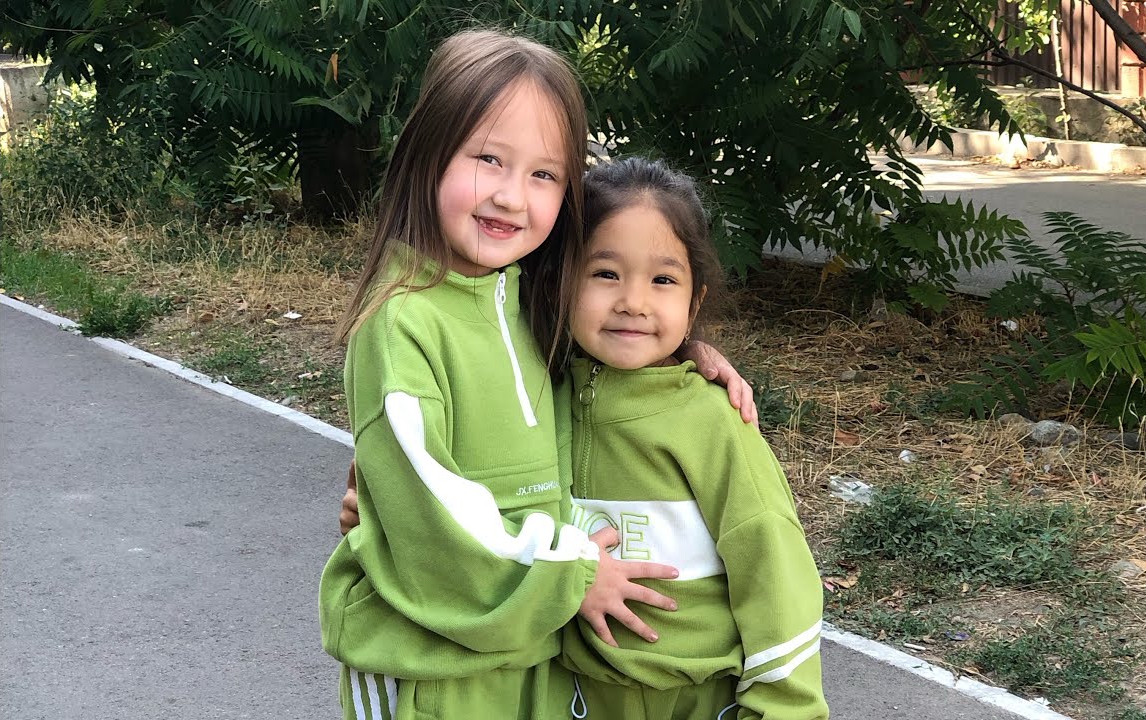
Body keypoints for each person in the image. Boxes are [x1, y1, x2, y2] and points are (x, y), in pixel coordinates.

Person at [321, 29, 755, 720]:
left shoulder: (523, 298)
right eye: (489, 159)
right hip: (427, 664)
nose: (511, 197)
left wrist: (684, 355)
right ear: (428, 153)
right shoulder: (401, 321)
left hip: (529, 651)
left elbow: (598, 354)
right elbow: (434, 513)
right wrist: (573, 575)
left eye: (544, 175)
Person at [557, 157, 828, 719]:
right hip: (574, 694)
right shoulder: (538, 395)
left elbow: (775, 569)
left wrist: (785, 706)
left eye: (663, 280)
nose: (633, 301)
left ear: (694, 301)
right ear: (561, 280)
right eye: (605, 273)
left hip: (698, 700)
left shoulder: (713, 419)